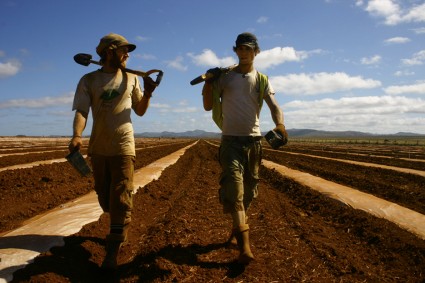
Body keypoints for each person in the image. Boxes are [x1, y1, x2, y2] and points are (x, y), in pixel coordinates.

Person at [68, 33, 158, 270]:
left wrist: (148, 93)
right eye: (122, 50)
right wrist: (77, 135)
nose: (127, 54)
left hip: (123, 146)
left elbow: (139, 111)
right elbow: (81, 111)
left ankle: (112, 250)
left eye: (128, 51)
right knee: (104, 197)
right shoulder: (89, 80)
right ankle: (119, 221)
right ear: (109, 52)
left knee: (120, 197)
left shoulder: (132, 79)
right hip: (98, 147)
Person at [201, 32, 288, 265]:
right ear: (235, 50)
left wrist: (280, 124)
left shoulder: (261, 79)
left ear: (256, 52)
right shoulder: (224, 78)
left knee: (249, 193)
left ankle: (236, 228)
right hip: (230, 140)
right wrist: (209, 83)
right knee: (235, 190)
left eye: (248, 49)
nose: (244, 52)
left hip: (254, 142)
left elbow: (274, 105)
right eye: (240, 48)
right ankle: (245, 249)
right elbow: (208, 105)